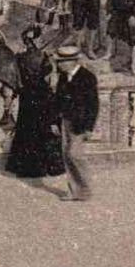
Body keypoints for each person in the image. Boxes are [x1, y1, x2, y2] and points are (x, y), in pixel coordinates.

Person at [4, 26, 65, 179]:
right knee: (44, 128)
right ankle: (50, 166)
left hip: (27, 96)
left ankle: (29, 167)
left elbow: (15, 81)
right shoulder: (44, 57)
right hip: (42, 95)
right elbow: (49, 78)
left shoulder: (19, 57)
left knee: (28, 129)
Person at [53, 44, 100, 201]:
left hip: (80, 123)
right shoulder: (63, 77)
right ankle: (74, 191)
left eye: (61, 62)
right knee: (67, 155)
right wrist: (55, 122)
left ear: (72, 62)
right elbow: (57, 101)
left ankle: (85, 189)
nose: (59, 65)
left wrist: (89, 127)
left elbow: (93, 104)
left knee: (75, 154)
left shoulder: (87, 77)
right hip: (65, 121)